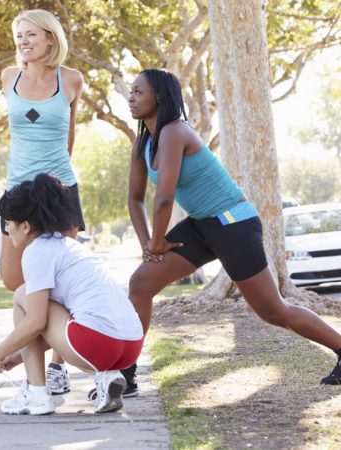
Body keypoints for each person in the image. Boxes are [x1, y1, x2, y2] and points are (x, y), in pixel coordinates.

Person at [126, 67, 341, 385]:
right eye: (130, 91)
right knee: (141, 284)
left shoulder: (175, 132)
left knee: (272, 310)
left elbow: (164, 199)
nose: (130, 97)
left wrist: (158, 242)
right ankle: (126, 373)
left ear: (158, 96)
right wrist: (149, 244)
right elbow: (135, 198)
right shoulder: (144, 142)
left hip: (232, 222)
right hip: (201, 224)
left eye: (138, 91)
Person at [0, 174, 144, 415]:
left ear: (25, 226)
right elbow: (57, 322)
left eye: (8, 222)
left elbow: (36, 322)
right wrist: (19, 355)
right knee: (47, 305)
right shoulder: (71, 246)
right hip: (131, 346)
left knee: (21, 295)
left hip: (97, 344)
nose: (6, 229)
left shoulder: (37, 251)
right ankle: (108, 377)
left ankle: (37, 394)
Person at [0, 8, 85, 396]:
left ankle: (55, 368)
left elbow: (69, 133)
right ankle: (35, 351)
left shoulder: (71, 79)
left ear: (50, 38)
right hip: (18, 191)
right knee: (15, 280)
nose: (24, 42)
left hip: (59, 191)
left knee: (62, 282)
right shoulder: (8, 78)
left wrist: (57, 178)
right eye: (20, 36)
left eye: (31, 35)